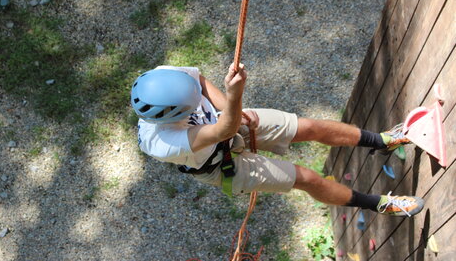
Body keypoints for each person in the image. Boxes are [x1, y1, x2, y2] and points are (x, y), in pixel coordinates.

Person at [131, 63, 424, 217]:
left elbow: (200, 80)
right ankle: (379, 204)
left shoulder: (163, 77)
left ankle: (383, 140)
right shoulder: (160, 142)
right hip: (220, 163)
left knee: (309, 127)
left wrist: (224, 105)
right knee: (307, 178)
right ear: (171, 116)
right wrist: (234, 98)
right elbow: (223, 132)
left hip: (228, 121)